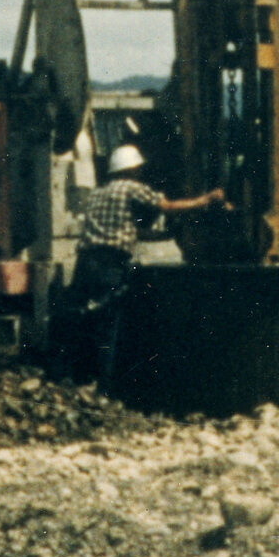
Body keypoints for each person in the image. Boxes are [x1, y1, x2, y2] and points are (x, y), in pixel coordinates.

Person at [63, 144, 225, 384]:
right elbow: (167, 206)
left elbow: (124, 231)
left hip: (85, 264)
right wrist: (206, 200)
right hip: (110, 264)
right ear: (132, 170)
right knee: (110, 323)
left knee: (87, 319)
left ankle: (79, 378)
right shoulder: (131, 188)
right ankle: (105, 385)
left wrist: (164, 236)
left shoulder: (98, 193)